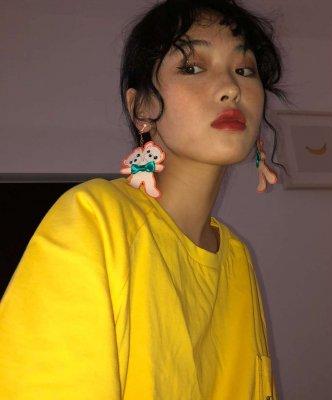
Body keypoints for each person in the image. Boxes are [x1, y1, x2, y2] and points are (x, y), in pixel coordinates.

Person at [0, 0, 291, 398]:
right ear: (141, 107)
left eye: (244, 70)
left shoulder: (237, 257)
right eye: (192, 68)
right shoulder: (95, 219)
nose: (231, 88)